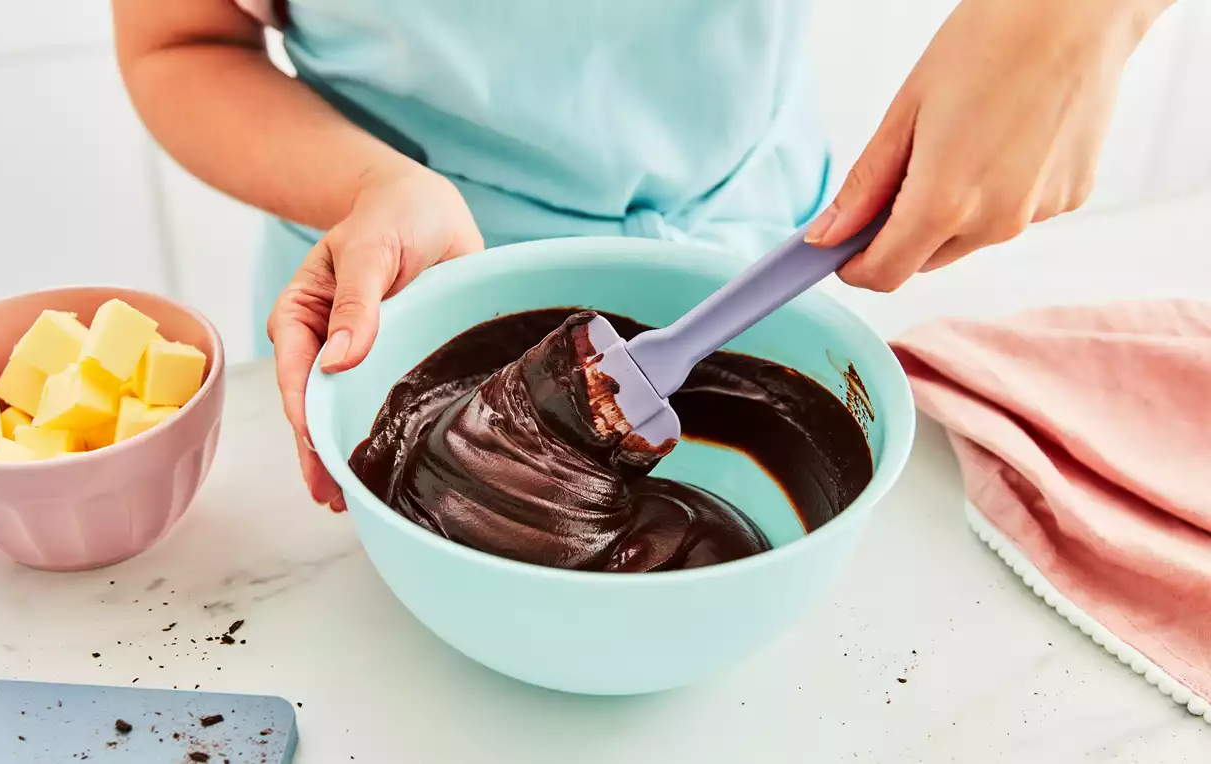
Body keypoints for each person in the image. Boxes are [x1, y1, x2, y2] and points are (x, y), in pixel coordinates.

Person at [112, 0, 1173, 510]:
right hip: (399, 279)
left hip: (756, 252)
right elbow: (180, 40)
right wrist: (368, 185)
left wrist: (1077, 22)